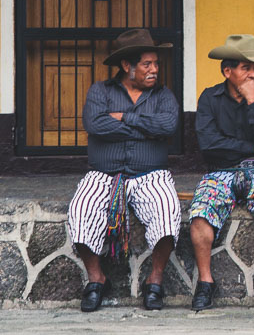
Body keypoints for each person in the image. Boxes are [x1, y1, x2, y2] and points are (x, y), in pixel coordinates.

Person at [65, 28, 181, 312]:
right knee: (80, 211)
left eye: (156, 63)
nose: (155, 69)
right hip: (104, 174)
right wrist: (145, 127)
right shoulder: (100, 91)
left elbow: (167, 126)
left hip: (150, 174)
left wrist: (125, 117)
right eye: (147, 64)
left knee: (167, 211)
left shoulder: (163, 96)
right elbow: (95, 125)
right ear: (127, 66)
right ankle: (96, 279)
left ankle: (154, 280)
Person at [188, 34, 254, 311]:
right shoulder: (209, 98)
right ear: (227, 71)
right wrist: (250, 148)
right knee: (200, 217)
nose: (253, 74)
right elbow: (209, 145)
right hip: (220, 171)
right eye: (246, 68)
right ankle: (206, 282)